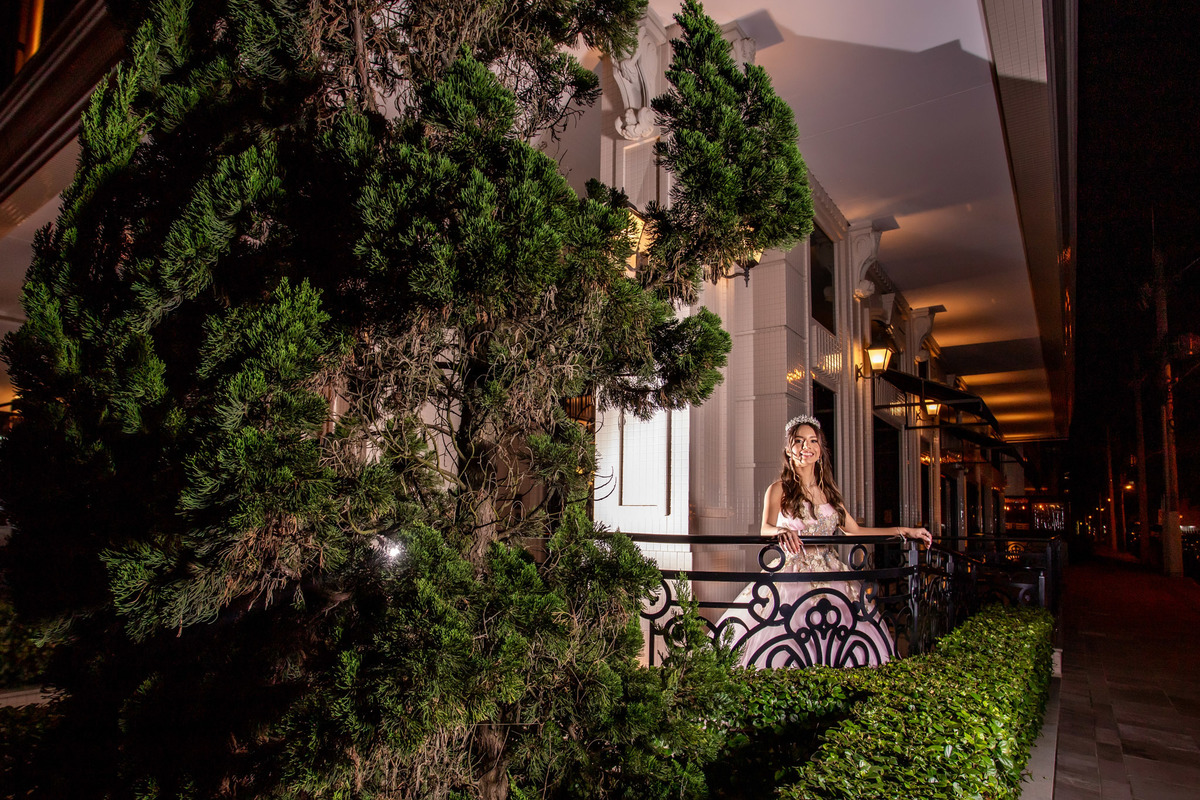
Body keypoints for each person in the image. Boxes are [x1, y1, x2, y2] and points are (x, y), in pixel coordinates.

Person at [715, 415, 931, 668]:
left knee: (842, 635)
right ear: (789, 449)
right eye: (799, 441)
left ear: (819, 450)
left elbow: (854, 531)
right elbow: (765, 528)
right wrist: (780, 531)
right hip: (794, 571)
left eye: (812, 441)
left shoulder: (829, 493)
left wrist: (905, 531)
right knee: (788, 633)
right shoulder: (778, 489)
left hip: (832, 573)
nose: (806, 446)